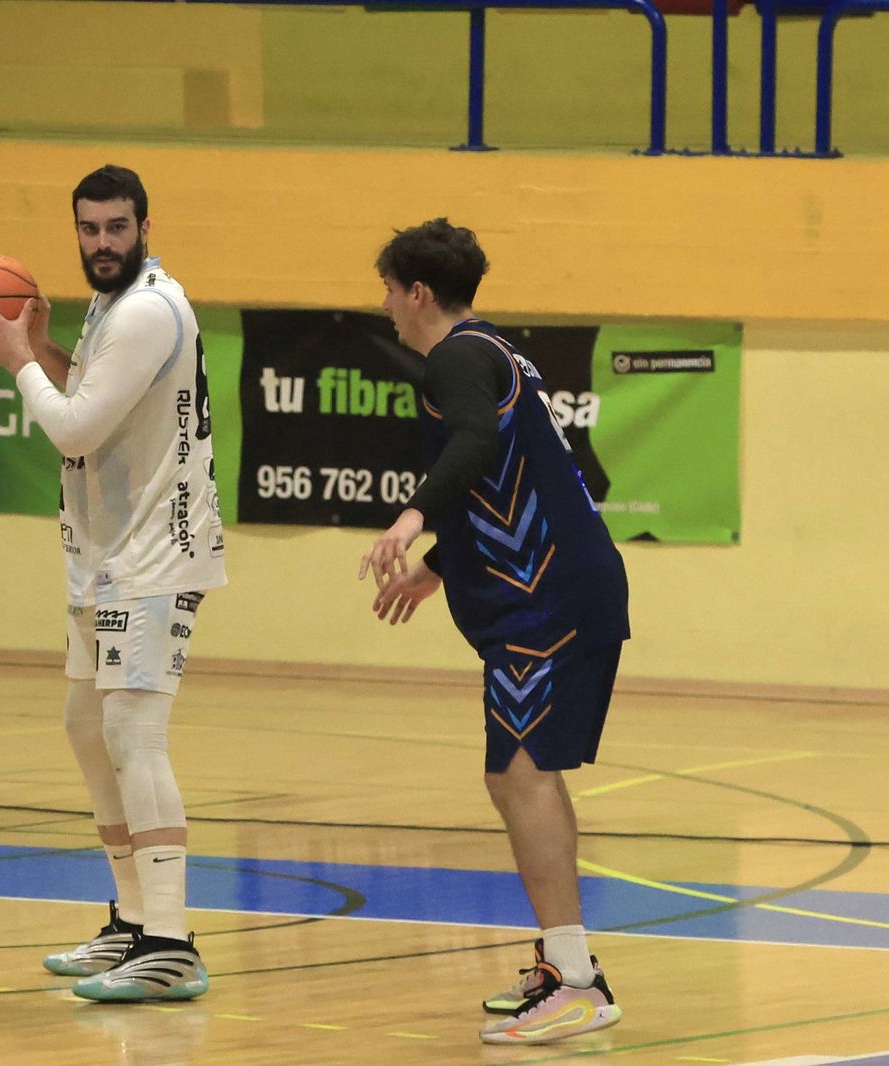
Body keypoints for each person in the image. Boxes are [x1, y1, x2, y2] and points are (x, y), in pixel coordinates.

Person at [0, 164, 226, 1002]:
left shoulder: (146, 309)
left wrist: (11, 360)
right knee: (84, 725)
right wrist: (37, 347)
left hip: (154, 555)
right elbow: (91, 392)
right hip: (108, 556)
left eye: (115, 227)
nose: (100, 243)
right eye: (87, 228)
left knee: (134, 736)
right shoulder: (116, 302)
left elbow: (73, 430)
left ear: (145, 225)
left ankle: (172, 945)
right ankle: (135, 922)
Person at [358, 219, 628, 1045]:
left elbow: (475, 445)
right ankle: (563, 961)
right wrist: (441, 568)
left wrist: (410, 516)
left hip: (545, 605)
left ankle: (578, 982)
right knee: (518, 775)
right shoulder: (493, 354)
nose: (386, 309)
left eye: (389, 292)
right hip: (550, 596)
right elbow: (519, 474)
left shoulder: (456, 358)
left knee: (521, 777)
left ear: (418, 293)